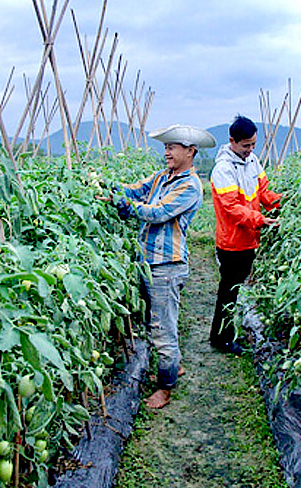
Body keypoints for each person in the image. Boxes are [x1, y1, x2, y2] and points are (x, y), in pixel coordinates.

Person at [102, 124, 215, 408]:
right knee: (160, 321)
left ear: (190, 152)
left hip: (166, 265)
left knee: (163, 328)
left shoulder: (190, 186)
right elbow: (136, 190)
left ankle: (165, 388)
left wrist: (125, 205)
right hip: (148, 261)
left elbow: (158, 213)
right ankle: (174, 366)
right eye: (165, 147)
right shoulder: (162, 177)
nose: (167, 152)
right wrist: (107, 186)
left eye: (172, 147)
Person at [210, 115, 282, 354]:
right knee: (229, 292)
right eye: (245, 145)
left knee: (234, 290)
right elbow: (231, 208)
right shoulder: (223, 169)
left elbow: (263, 192)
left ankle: (223, 335)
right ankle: (222, 340)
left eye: (253, 144)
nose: (250, 149)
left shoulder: (252, 161)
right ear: (232, 141)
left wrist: (281, 202)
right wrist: (260, 219)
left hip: (249, 238)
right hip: (232, 242)